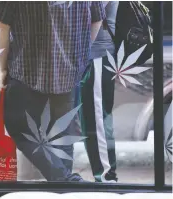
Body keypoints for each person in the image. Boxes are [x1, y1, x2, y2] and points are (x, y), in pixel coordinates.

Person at [0, 1, 105, 181]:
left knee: (19, 129)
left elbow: (1, 26)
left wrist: (2, 69)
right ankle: (65, 188)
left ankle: (65, 181)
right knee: (62, 134)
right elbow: (96, 20)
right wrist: (77, 54)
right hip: (67, 71)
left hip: (26, 70)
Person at [76, 1, 119, 182]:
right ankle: (102, 174)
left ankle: (106, 177)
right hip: (89, 55)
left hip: (97, 54)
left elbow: (89, 12)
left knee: (97, 119)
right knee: (90, 119)